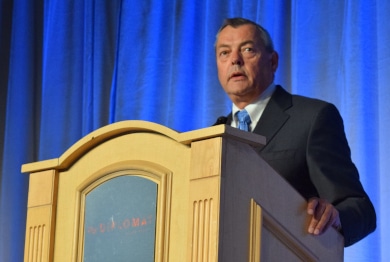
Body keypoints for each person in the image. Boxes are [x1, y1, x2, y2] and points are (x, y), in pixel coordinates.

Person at [213, 17, 376, 247]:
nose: (235, 60)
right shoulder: (213, 137)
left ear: (273, 61)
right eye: (224, 53)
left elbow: (361, 209)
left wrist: (336, 218)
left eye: (248, 50)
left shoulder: (312, 118)